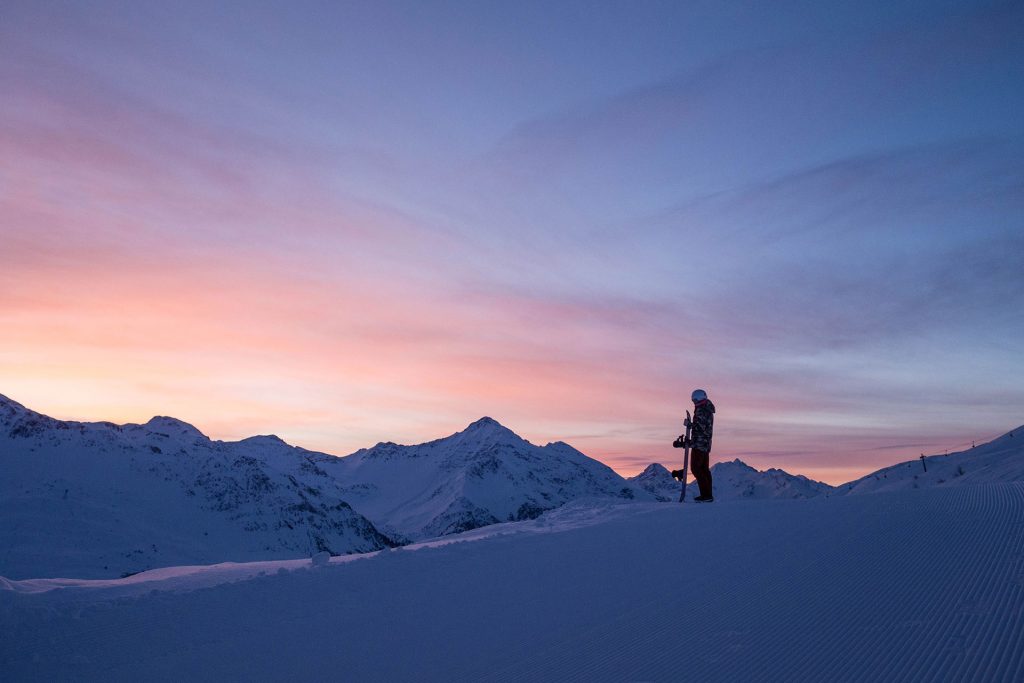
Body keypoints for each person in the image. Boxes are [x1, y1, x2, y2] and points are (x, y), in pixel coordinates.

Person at [673, 388, 716, 502]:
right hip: (705, 444)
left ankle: (706, 496)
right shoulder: (707, 409)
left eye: (695, 400)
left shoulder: (701, 410)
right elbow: (702, 427)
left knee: (696, 469)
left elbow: (700, 430)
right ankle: (708, 495)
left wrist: (689, 429)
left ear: (699, 399)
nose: (694, 403)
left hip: (699, 445)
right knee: (704, 469)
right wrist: (691, 426)